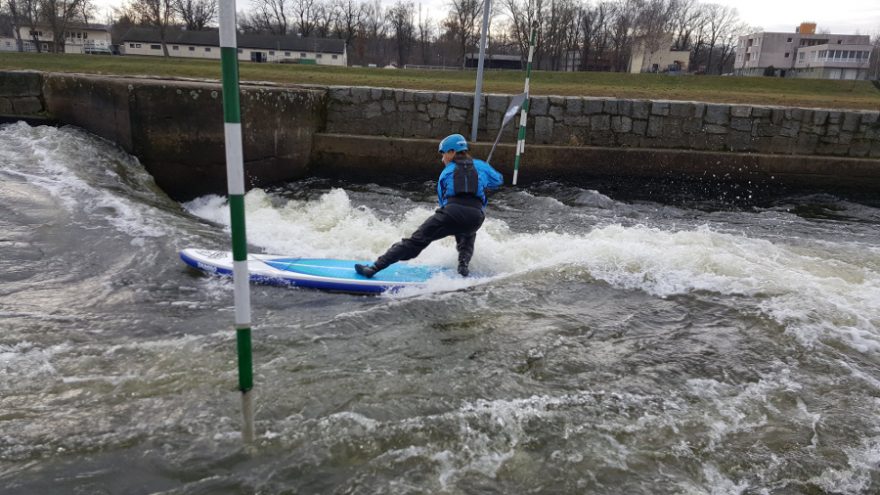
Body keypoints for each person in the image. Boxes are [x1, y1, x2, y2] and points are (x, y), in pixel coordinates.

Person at [355, 133, 504, 278]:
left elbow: (443, 202)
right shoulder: (481, 166)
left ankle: (374, 268)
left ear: (452, 152)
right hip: (476, 217)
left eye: (443, 154)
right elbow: (497, 181)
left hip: (452, 212)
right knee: (467, 233)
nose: (442, 159)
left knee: (415, 242)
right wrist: (484, 176)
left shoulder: (446, 172)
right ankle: (463, 267)